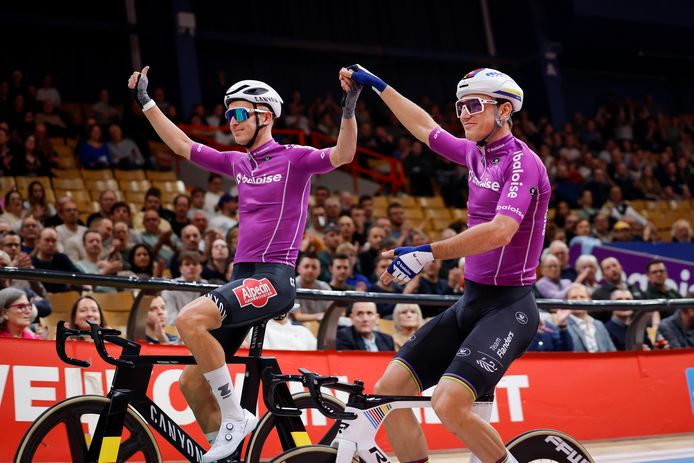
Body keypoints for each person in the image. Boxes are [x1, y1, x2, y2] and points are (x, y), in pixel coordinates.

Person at [128, 64, 361, 462]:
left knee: (188, 319)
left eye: (239, 113)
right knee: (190, 384)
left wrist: (349, 106)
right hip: (243, 280)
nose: (231, 121)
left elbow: (344, 154)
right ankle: (229, 452)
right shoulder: (239, 164)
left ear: (265, 116)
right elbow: (183, 145)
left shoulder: (294, 158)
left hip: (274, 279)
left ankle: (235, 415)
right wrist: (147, 102)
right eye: (228, 114)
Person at [343, 65, 548, 463]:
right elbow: (424, 127)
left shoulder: (522, 163)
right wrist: (378, 85)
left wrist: (427, 252)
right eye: (460, 106)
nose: (464, 114)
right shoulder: (475, 153)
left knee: (448, 403)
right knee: (388, 393)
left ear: (505, 110)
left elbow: (500, 232)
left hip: (509, 309)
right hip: (470, 302)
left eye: (474, 105)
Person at [565, 283, 616, 352]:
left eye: (582, 297)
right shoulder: (563, 326)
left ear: (589, 300)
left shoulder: (599, 325)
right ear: (567, 301)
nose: (578, 300)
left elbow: (611, 350)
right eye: (574, 297)